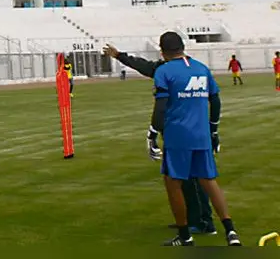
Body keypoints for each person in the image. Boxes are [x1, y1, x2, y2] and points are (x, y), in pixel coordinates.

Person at [102, 43, 215, 235]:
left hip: (186, 131)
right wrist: (120, 55)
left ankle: (204, 221)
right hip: (181, 131)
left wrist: (153, 132)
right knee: (183, 180)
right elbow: (143, 65)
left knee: (193, 179)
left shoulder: (180, 69)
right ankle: (189, 219)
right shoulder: (168, 68)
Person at [151, 32, 241, 246]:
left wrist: (152, 134)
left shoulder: (164, 71)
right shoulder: (201, 68)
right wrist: (214, 130)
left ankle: (185, 236)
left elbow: (161, 107)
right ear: (183, 47)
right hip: (201, 135)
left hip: (178, 136)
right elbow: (215, 100)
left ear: (162, 52)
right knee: (208, 180)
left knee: (173, 183)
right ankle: (231, 232)